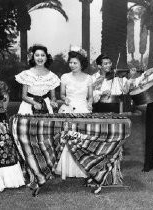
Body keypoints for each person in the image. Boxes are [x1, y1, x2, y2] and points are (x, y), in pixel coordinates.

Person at [55, 46, 93, 179]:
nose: (72, 65)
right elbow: (62, 94)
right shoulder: (65, 77)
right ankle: (66, 168)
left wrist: (89, 103)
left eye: (75, 63)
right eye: (70, 62)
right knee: (67, 138)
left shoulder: (88, 78)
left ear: (81, 63)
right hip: (68, 109)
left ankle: (82, 168)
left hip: (83, 109)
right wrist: (65, 100)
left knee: (81, 139)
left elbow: (90, 96)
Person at [0, 57, 25, 196]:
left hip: (1, 121)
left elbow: (4, 106)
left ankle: (6, 181)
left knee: (5, 150)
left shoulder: (2, 85)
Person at [15, 44, 60, 115]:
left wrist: (53, 101)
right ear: (33, 57)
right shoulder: (27, 74)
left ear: (46, 57)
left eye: (43, 55)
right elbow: (24, 96)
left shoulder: (52, 76)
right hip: (28, 106)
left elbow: (53, 97)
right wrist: (34, 103)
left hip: (46, 105)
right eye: (37, 55)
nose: (40, 58)